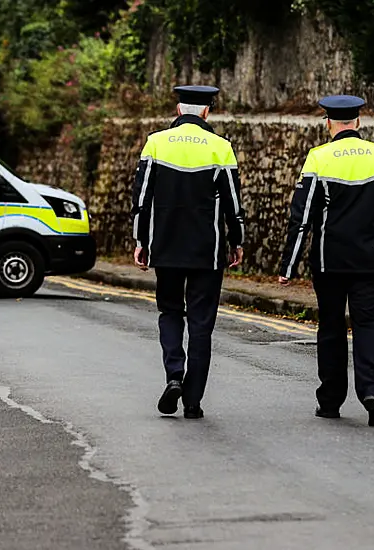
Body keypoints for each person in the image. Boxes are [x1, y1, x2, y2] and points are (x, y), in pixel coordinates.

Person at [278, 95, 374, 427]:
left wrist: (288, 266)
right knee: (369, 325)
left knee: (331, 327)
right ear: (357, 122)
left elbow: (302, 217)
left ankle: (330, 401)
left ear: (329, 123)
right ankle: (371, 393)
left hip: (329, 261)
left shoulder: (318, 158)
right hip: (370, 259)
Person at [131, 85, 245, 419]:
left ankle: (173, 375)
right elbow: (233, 204)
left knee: (169, 313)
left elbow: (141, 200)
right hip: (206, 252)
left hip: (165, 247)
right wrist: (236, 241)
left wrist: (141, 242)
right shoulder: (221, 148)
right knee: (201, 324)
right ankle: (193, 401)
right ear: (207, 111)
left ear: (178, 110)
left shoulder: (156, 142)